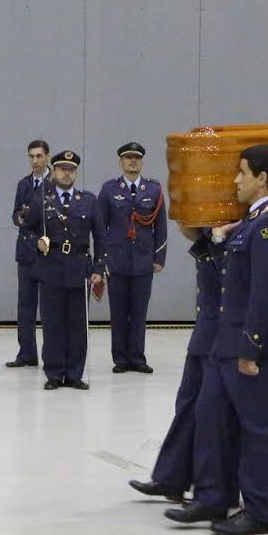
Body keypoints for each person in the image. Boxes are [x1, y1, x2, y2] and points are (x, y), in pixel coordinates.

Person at [165, 144, 268, 535]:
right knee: (211, 418)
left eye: (242, 173)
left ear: (262, 179)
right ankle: (212, 496)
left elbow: (266, 293)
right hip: (225, 344)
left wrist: (250, 347)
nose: (235, 180)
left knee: (258, 428)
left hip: (251, 348)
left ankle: (259, 511)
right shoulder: (248, 225)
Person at [128, 225, 225, 501]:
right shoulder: (215, 231)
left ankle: (213, 490)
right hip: (206, 328)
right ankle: (171, 477)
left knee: (211, 412)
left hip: (223, 331)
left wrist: (217, 236)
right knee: (188, 403)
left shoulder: (241, 227)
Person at [23, 150, 103, 390]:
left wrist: (99, 267)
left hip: (79, 269)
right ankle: (55, 373)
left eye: (71, 170)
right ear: (54, 171)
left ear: (75, 173)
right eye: (62, 169)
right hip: (51, 267)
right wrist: (35, 243)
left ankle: (75, 373)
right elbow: (27, 230)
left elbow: (99, 236)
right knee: (53, 323)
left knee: (78, 324)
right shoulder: (41, 200)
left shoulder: (88, 200)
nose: (66, 174)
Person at [97, 142, 168, 374]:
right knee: (118, 312)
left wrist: (159, 258)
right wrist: (101, 260)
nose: (132, 161)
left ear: (142, 162)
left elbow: (161, 228)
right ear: (121, 162)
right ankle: (120, 359)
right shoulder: (109, 190)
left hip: (143, 261)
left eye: (136, 158)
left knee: (139, 312)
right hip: (116, 261)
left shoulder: (154, 190)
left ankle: (137, 357)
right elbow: (100, 228)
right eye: (128, 158)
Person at [6, 140, 50, 368]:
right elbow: (15, 214)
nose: (35, 160)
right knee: (25, 306)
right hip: (25, 252)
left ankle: (50, 356)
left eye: (39, 156)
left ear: (47, 157)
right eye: (31, 156)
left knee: (49, 307)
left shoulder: (55, 183)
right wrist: (19, 218)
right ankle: (26, 354)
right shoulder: (24, 184)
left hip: (47, 252)